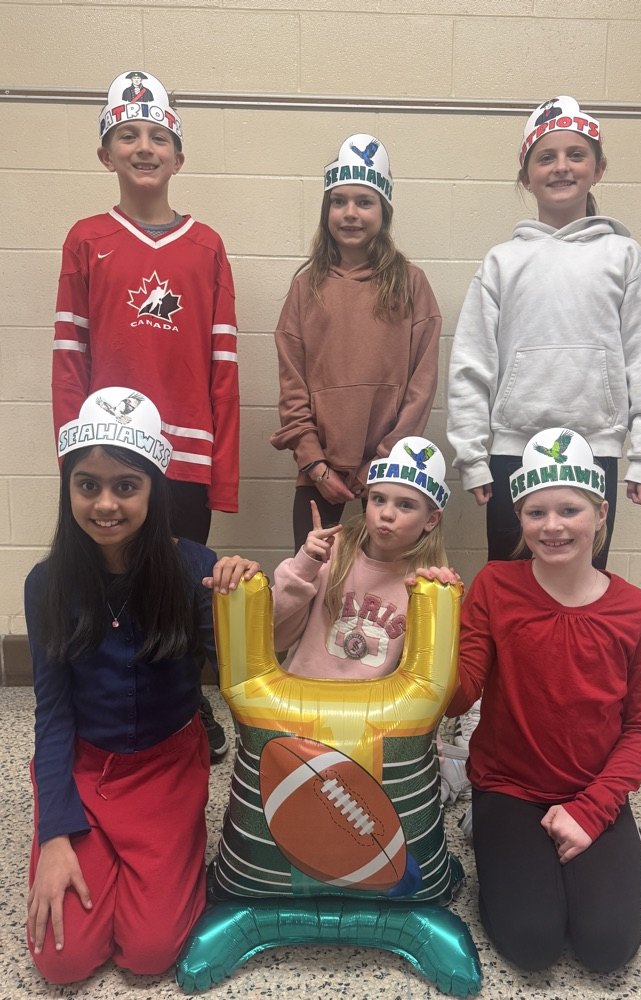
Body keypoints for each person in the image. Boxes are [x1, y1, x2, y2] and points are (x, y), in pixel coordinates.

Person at [446, 95, 641, 750]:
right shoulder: (502, 263)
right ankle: (488, 724)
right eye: (546, 157)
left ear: (598, 169)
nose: (562, 166)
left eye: (576, 155)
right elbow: (471, 365)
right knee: (507, 598)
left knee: (578, 598)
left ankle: (567, 720)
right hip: (512, 455)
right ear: (527, 174)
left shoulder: (625, 260)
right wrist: (472, 454)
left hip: (593, 455)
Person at [51, 69, 239, 759]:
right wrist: (75, 453)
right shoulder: (84, 239)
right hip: (107, 455)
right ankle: (105, 703)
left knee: (177, 587)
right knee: (112, 583)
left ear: (179, 154)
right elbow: (69, 352)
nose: (143, 147)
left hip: (183, 457)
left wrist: (222, 475)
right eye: (127, 135)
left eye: (158, 135)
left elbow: (224, 367)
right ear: (106, 153)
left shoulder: (206, 245)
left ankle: (186, 703)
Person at [446, 427, 641, 974]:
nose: (552, 527)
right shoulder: (495, 586)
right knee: (532, 944)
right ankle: (494, 833)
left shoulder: (636, 611)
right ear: (518, 519)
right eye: (535, 512)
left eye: (569, 509)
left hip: (593, 788)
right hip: (508, 785)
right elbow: (457, 698)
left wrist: (593, 810)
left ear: (600, 512)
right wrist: (427, 618)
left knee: (607, 946)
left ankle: (584, 837)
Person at [25, 387, 219, 985]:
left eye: (125, 487)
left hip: (165, 771)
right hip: (86, 771)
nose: (105, 504)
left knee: (150, 952)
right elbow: (52, 713)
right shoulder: (47, 583)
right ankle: (95, 852)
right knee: (63, 961)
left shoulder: (194, 567)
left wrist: (254, 597)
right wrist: (54, 831)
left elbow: (244, 672)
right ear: (69, 490)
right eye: (88, 485)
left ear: (154, 492)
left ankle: (143, 865)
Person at [269, 133, 441, 552]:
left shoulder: (411, 284)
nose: (350, 213)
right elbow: (292, 389)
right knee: (312, 588)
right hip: (317, 474)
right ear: (326, 209)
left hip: (388, 481)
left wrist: (380, 464)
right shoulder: (305, 288)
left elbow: (421, 386)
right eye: (338, 201)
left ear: (383, 211)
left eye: (364, 202)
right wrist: (316, 463)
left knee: (379, 596)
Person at [210, 437, 456, 678]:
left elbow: (429, 678)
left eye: (405, 505)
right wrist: (303, 567)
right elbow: (276, 636)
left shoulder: (425, 582)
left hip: (373, 715)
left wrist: (441, 604)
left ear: (431, 519)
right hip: (298, 701)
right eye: (378, 499)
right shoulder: (333, 551)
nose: (387, 514)